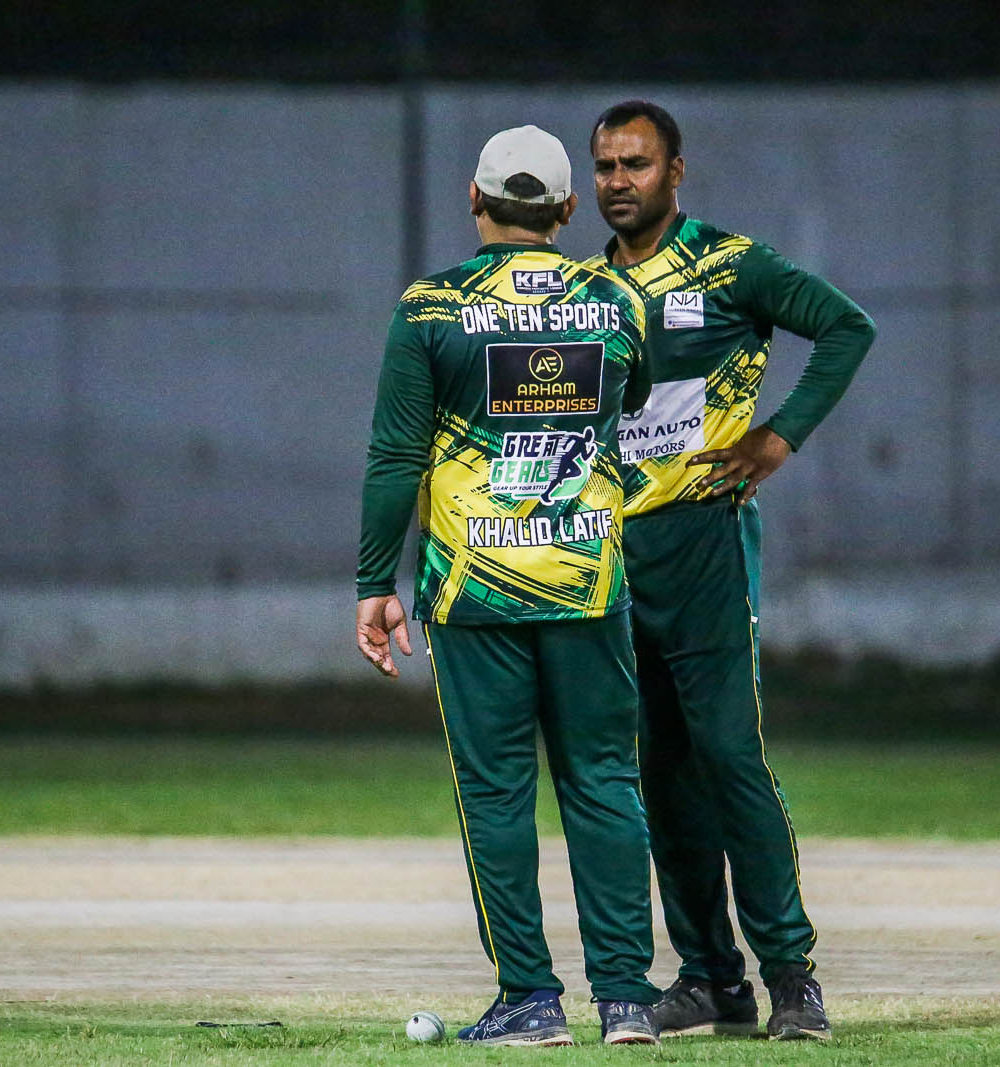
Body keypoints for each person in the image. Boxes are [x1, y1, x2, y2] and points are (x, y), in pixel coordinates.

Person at [356, 124, 663, 1046]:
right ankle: (627, 1001)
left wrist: (375, 580)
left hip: (472, 591)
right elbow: (632, 397)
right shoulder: (613, 297)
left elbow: (395, 454)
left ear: (474, 200)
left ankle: (530, 999)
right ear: (568, 208)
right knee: (604, 780)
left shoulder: (430, 309)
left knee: (495, 791)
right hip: (587, 580)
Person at [587, 99, 877, 1041]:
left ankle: (792, 975)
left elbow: (847, 327)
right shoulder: (583, 291)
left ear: (676, 172)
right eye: (605, 166)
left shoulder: (729, 264)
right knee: (659, 773)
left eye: (636, 163)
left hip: (704, 541)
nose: (618, 181)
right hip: (611, 559)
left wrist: (779, 436)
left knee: (728, 754)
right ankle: (712, 977)